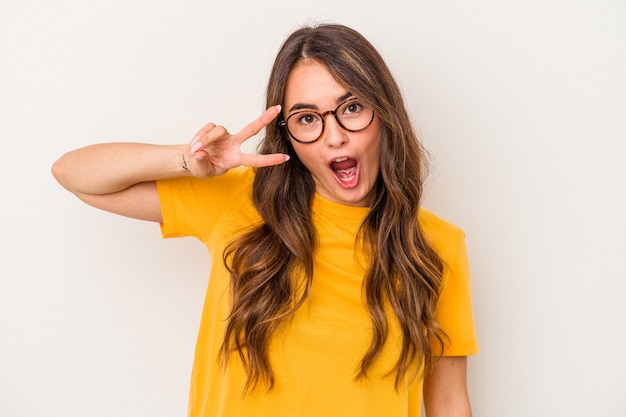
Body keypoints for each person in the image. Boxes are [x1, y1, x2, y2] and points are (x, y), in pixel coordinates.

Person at [52, 23, 478, 417]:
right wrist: (188, 159)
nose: (334, 136)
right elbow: (74, 174)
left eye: (352, 107)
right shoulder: (238, 200)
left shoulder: (436, 246)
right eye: (307, 118)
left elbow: (448, 402)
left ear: (384, 113)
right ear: (288, 134)